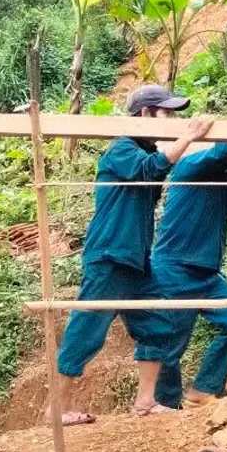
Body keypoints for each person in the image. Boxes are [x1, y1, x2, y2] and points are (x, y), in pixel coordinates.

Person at [54, 85, 213, 423]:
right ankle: (57, 409)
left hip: (136, 262)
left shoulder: (143, 152)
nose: (172, 119)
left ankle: (144, 402)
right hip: (110, 257)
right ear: (145, 115)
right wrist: (188, 137)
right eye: (166, 112)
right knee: (85, 331)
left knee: (158, 325)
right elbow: (150, 168)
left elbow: (162, 164)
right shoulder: (121, 149)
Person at [151, 103, 227, 410]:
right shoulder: (186, 169)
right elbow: (218, 153)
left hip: (207, 274)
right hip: (174, 269)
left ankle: (203, 390)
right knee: (170, 345)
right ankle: (165, 405)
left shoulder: (219, 187)